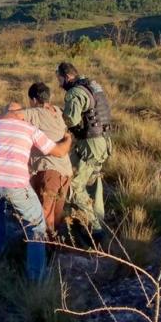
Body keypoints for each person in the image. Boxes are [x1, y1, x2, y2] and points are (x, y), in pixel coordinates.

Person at [0, 103, 72, 280]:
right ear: (21, 114)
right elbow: (58, 152)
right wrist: (68, 140)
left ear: (3, 113)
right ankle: (36, 277)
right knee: (36, 224)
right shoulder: (30, 129)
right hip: (16, 183)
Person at [55, 62, 113, 234]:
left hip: (89, 144)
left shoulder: (75, 92)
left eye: (59, 78)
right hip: (103, 141)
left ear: (67, 76)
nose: (59, 83)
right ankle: (95, 218)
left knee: (72, 185)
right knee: (93, 181)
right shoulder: (93, 86)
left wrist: (57, 114)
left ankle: (94, 228)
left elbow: (70, 120)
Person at [20, 82, 72, 237]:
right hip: (66, 172)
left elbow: (15, 116)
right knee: (55, 216)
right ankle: (55, 250)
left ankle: (44, 253)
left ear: (34, 100)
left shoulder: (35, 112)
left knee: (43, 216)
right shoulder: (57, 110)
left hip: (49, 172)